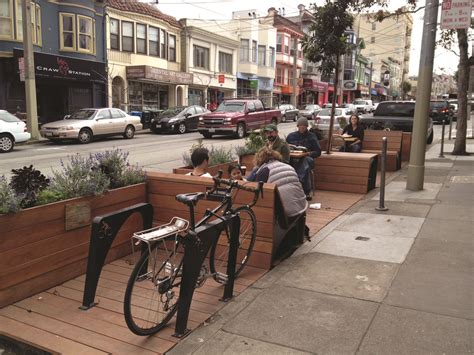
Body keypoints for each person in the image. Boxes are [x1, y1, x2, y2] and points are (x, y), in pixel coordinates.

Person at [247, 147, 307, 218]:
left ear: (259, 159)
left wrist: (255, 171)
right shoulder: (289, 167)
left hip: (285, 213)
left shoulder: (265, 171)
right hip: (302, 206)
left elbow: (255, 191)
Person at [286, 117, 322, 199]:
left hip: (308, 158)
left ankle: (303, 188)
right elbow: (285, 148)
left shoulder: (312, 136)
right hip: (293, 158)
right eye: (300, 126)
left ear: (307, 127)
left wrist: (309, 153)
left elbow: (318, 152)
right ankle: (292, 188)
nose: (302, 127)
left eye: (304, 126)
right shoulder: (291, 136)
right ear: (297, 126)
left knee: (304, 164)